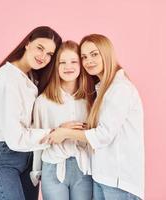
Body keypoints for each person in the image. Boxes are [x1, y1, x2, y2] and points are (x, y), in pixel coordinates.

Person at [41, 34, 144, 200]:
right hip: (101, 176)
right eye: (84, 57)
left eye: (94, 54)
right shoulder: (101, 90)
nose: (89, 61)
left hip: (119, 180)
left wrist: (64, 133)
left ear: (106, 53)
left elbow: (103, 135)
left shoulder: (120, 89)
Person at [0, 26, 62, 200]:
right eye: (40, 48)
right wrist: (55, 133)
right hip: (3, 160)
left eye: (50, 54)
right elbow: (15, 138)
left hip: (28, 158)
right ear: (27, 43)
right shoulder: (8, 79)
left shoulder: (29, 77)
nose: (43, 57)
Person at [30, 40, 94, 200]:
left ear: (81, 65)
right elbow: (36, 139)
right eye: (62, 62)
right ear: (56, 67)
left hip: (84, 169)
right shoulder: (43, 101)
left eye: (74, 61)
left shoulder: (90, 100)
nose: (68, 66)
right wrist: (37, 170)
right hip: (53, 168)